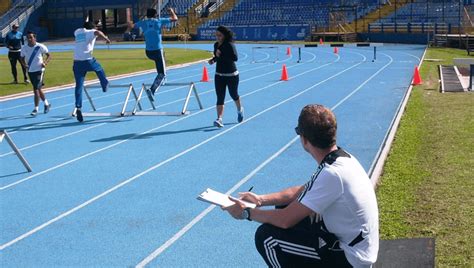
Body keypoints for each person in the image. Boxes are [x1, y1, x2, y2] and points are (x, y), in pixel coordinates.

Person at [223, 104, 379, 267]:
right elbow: (300, 192)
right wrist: (260, 200)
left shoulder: (332, 174)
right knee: (283, 206)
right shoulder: (341, 159)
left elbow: (285, 220)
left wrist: (247, 213)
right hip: (352, 244)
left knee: (267, 237)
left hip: (351, 259)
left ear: (304, 140)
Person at [132, 7, 178, 101]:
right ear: (155, 15)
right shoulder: (159, 21)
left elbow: (133, 26)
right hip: (157, 50)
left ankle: (160, 79)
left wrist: (130, 24)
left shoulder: (143, 22)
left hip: (148, 52)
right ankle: (152, 89)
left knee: (160, 65)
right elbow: (175, 19)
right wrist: (172, 11)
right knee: (162, 73)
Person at [73, 21, 111, 122]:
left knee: (79, 86)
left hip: (77, 63)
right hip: (87, 60)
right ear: (92, 28)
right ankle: (104, 84)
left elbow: (85, 29)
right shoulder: (91, 32)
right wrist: (106, 38)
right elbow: (98, 33)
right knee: (99, 69)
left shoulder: (77, 32)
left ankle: (78, 107)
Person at [208, 26, 244, 128]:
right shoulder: (215, 45)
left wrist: (221, 55)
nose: (217, 37)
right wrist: (213, 60)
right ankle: (219, 119)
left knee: (233, 94)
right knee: (220, 97)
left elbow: (235, 58)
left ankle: (239, 110)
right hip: (219, 75)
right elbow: (217, 57)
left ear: (224, 35)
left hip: (231, 75)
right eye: (216, 35)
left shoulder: (229, 45)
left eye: (219, 35)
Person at [19, 31, 51, 116]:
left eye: (31, 37)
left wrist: (45, 63)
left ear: (34, 38)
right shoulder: (24, 48)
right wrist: (24, 65)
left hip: (39, 70)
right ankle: (47, 104)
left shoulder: (40, 46)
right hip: (30, 71)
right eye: (28, 38)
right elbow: (21, 58)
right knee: (38, 89)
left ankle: (36, 109)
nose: (29, 39)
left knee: (36, 89)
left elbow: (49, 55)